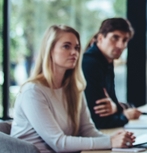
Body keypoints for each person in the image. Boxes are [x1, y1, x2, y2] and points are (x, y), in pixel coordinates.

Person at [10, 25, 134, 153]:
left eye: (77, 48)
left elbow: (88, 131)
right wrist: (109, 142)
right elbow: (58, 143)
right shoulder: (33, 91)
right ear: (50, 50)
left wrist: (117, 140)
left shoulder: (74, 88)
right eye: (66, 46)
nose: (74, 52)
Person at [82, 18, 142, 129]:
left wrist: (117, 108)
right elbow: (99, 121)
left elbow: (113, 103)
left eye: (125, 40)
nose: (120, 45)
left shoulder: (106, 62)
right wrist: (125, 115)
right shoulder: (90, 63)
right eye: (115, 38)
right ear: (100, 38)